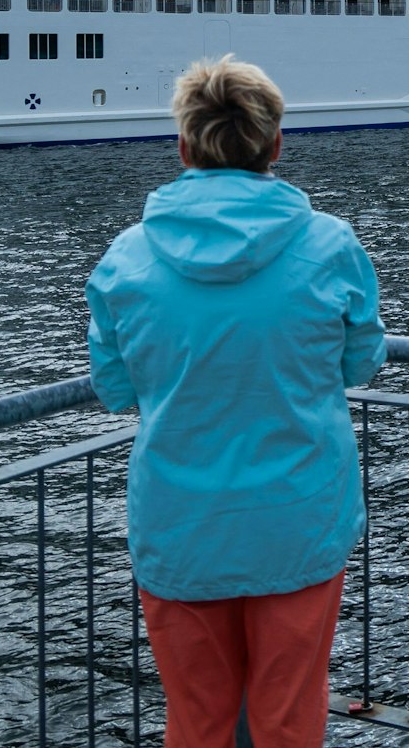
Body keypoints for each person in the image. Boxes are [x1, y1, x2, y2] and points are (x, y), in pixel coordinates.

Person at [86, 56, 387, 748]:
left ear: (184, 146)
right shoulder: (330, 246)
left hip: (179, 521)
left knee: (196, 719)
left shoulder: (126, 258)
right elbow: (361, 361)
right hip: (299, 516)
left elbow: (114, 389)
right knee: (288, 715)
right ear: (275, 145)